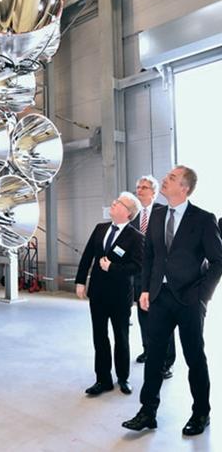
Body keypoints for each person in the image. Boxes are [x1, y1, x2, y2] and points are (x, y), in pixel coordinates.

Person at [122, 166, 222, 435]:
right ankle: (147, 412)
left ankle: (201, 413)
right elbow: (150, 256)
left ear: (184, 188)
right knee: (154, 356)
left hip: (190, 299)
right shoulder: (156, 215)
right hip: (159, 297)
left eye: (172, 178)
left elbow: (217, 261)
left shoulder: (203, 219)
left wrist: (202, 295)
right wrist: (146, 289)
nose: (165, 180)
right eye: (166, 177)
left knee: (194, 358)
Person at [76, 192, 144, 396]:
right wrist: (80, 281)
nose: (113, 203)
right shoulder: (100, 228)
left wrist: (111, 267)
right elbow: (87, 255)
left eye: (119, 203)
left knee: (121, 337)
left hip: (120, 296)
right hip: (97, 293)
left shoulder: (136, 237)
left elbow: (138, 266)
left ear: (128, 212)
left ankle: (123, 378)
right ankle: (103, 379)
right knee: (99, 336)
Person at [131, 175, 175, 378]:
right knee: (144, 316)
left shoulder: (164, 213)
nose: (139, 190)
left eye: (144, 187)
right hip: (140, 275)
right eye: (138, 187)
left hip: (160, 276)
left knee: (164, 319)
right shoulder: (134, 216)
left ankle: (166, 361)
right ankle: (148, 350)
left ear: (154, 192)